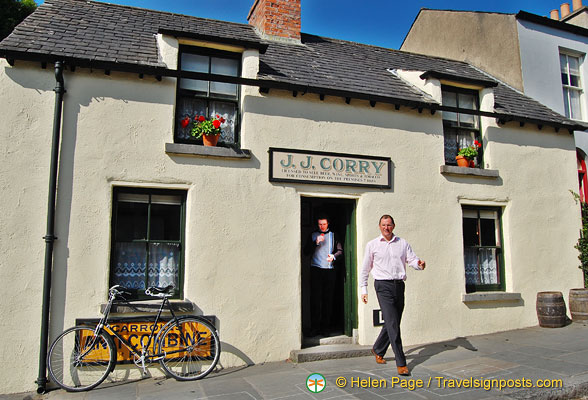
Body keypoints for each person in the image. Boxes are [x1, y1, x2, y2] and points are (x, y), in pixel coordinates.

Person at [360, 215, 426, 376]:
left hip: (399, 286)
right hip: (383, 286)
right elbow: (365, 268)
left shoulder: (402, 243)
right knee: (393, 324)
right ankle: (401, 363)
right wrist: (364, 289)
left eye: (389, 225)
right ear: (379, 226)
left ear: (393, 226)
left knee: (393, 322)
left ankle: (378, 349)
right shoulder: (372, 245)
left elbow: (412, 260)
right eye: (383, 225)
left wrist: (419, 265)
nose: (386, 228)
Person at [304, 216, 343, 336]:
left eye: (324, 224)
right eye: (320, 224)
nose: (322, 226)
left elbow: (340, 251)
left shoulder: (333, 235)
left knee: (328, 299)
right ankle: (315, 328)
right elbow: (305, 251)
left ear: (328, 224)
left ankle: (325, 328)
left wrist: (334, 256)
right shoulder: (313, 235)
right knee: (315, 299)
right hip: (316, 269)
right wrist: (315, 242)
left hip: (329, 270)